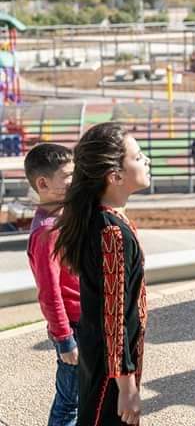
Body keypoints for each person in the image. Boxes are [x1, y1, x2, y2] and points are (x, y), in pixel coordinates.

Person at [53, 122, 151, 426]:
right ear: (115, 176)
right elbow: (113, 316)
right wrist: (127, 386)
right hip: (110, 368)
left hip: (109, 359)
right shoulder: (111, 233)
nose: (146, 160)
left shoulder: (107, 219)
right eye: (138, 157)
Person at [24, 143, 78, 426]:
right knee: (70, 403)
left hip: (84, 321)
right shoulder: (47, 232)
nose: (75, 180)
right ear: (43, 184)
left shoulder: (62, 215)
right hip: (73, 327)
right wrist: (65, 339)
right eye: (68, 176)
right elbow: (50, 294)